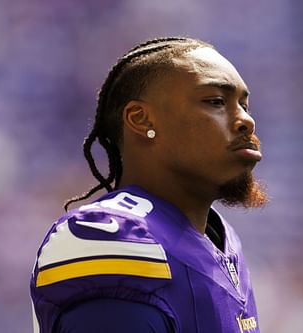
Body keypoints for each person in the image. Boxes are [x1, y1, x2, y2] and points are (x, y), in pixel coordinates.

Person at [30, 37, 267, 333]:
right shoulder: (114, 237)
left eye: (244, 105)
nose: (246, 120)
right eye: (216, 101)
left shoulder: (222, 240)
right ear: (141, 120)